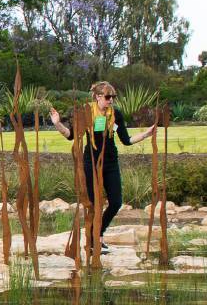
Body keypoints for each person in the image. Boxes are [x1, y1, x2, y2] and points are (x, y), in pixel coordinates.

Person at [49, 81, 154, 235]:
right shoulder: (86, 112)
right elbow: (71, 135)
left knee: (116, 203)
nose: (111, 100)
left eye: (113, 97)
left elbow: (126, 140)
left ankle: (98, 233)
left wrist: (146, 134)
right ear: (98, 97)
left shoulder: (116, 114)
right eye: (108, 97)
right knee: (93, 205)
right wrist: (57, 124)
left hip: (111, 163)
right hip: (90, 163)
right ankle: (93, 241)